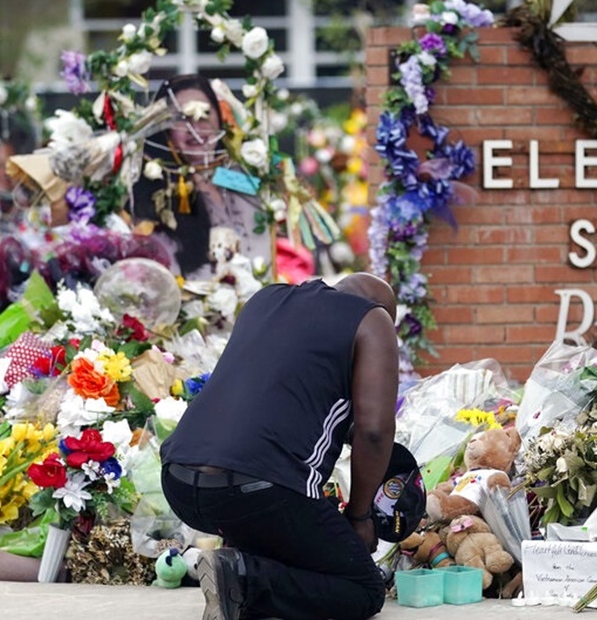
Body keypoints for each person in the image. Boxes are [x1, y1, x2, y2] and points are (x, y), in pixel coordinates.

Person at [161, 273, 398, 620]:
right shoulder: (372, 319)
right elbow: (375, 431)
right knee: (362, 589)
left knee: (279, 533)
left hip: (180, 479)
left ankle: (238, 572)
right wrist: (359, 516)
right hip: (258, 488)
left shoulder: (266, 298)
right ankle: (244, 579)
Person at [132, 74, 271, 280]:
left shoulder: (241, 175)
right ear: (165, 129)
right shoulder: (155, 189)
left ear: (220, 116)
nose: (195, 129)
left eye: (205, 114)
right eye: (182, 118)